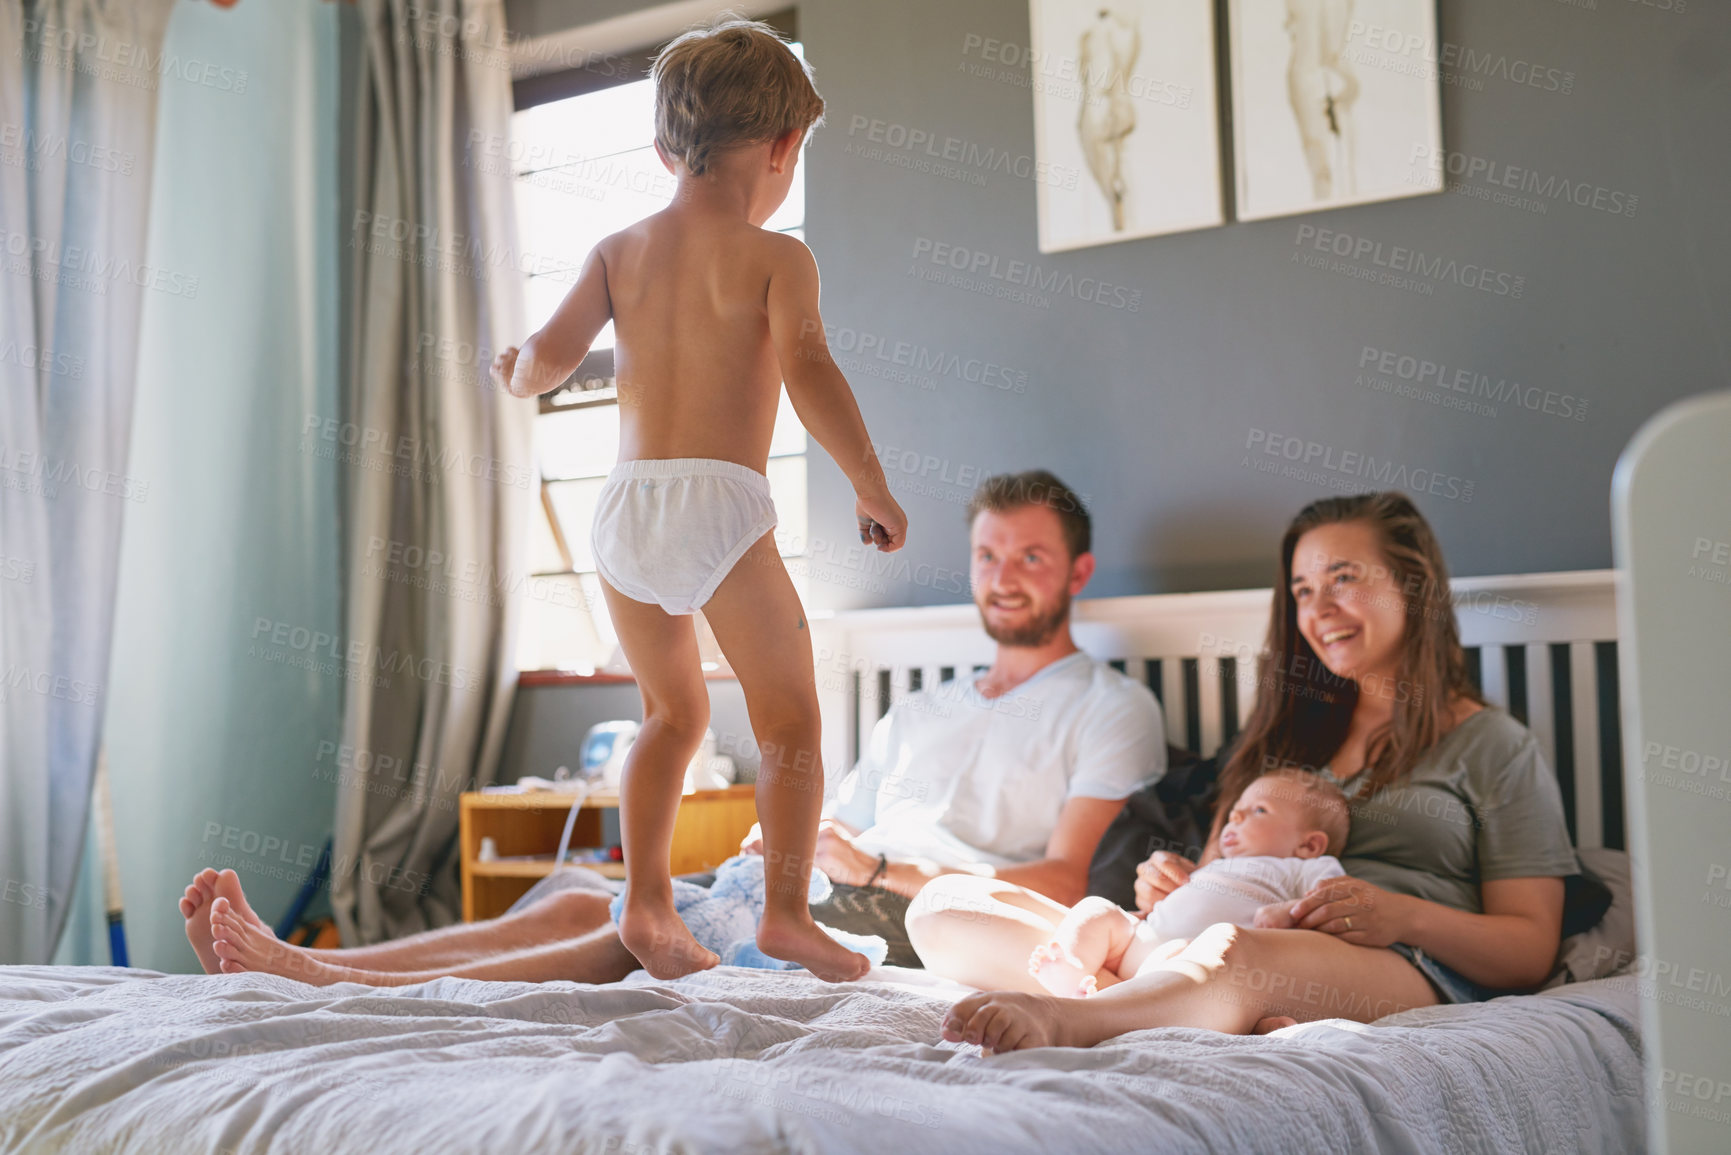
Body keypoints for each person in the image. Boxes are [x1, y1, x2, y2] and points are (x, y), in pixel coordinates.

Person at [193, 472, 1167, 986]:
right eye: (990, 554)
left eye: (1032, 556)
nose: (1005, 574)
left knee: (615, 921)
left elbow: (1062, 882)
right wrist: (789, 846)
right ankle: (316, 970)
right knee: (580, 885)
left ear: (1077, 573)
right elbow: (840, 818)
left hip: (912, 923)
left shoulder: (1110, 707)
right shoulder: (920, 707)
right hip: (825, 883)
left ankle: (320, 977)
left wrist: (875, 872)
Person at [486, 18, 906, 982]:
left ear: (665, 149)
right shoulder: (775, 257)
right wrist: (869, 483)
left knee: (669, 718)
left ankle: (643, 901)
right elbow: (809, 371)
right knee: (788, 721)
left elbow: (545, 363)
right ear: (784, 146)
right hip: (718, 503)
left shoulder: (614, 249)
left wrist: (513, 371)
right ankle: (790, 914)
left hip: (624, 509)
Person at [917, 491, 1582, 1052]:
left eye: (1343, 578)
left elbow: (1528, 947)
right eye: (1302, 589)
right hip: (1207, 946)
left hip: (1391, 962)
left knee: (1235, 950)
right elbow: (1217, 874)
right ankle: (1166, 1002)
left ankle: (1075, 1016)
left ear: (1413, 585)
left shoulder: (1491, 745)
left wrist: (1404, 916)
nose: (1318, 610)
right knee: (942, 905)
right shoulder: (1284, 735)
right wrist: (1167, 887)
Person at [1029, 769, 1347, 998]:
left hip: (1187, 961)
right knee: (1096, 909)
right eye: (1234, 813)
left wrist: (1290, 914)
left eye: (1259, 811)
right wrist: (1146, 916)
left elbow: (1332, 901)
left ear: (1309, 845)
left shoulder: (1304, 868)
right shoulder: (1216, 867)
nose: (1235, 819)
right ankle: (1070, 971)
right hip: (1141, 942)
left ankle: (1103, 1000)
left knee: (1191, 963)